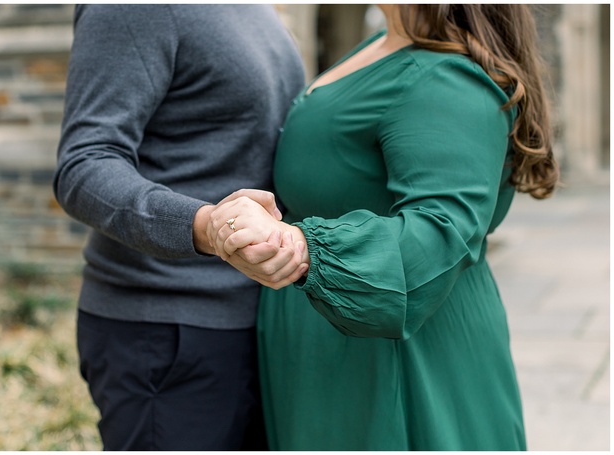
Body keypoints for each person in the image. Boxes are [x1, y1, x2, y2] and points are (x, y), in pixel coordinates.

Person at [206, 4, 559, 451]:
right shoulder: (387, 41)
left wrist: (302, 244)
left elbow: (440, 232)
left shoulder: (445, 79)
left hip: (401, 356)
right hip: (327, 349)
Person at [52, 5, 306, 450]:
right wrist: (205, 226)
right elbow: (84, 166)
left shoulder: (256, 9)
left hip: (261, 324)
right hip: (167, 333)